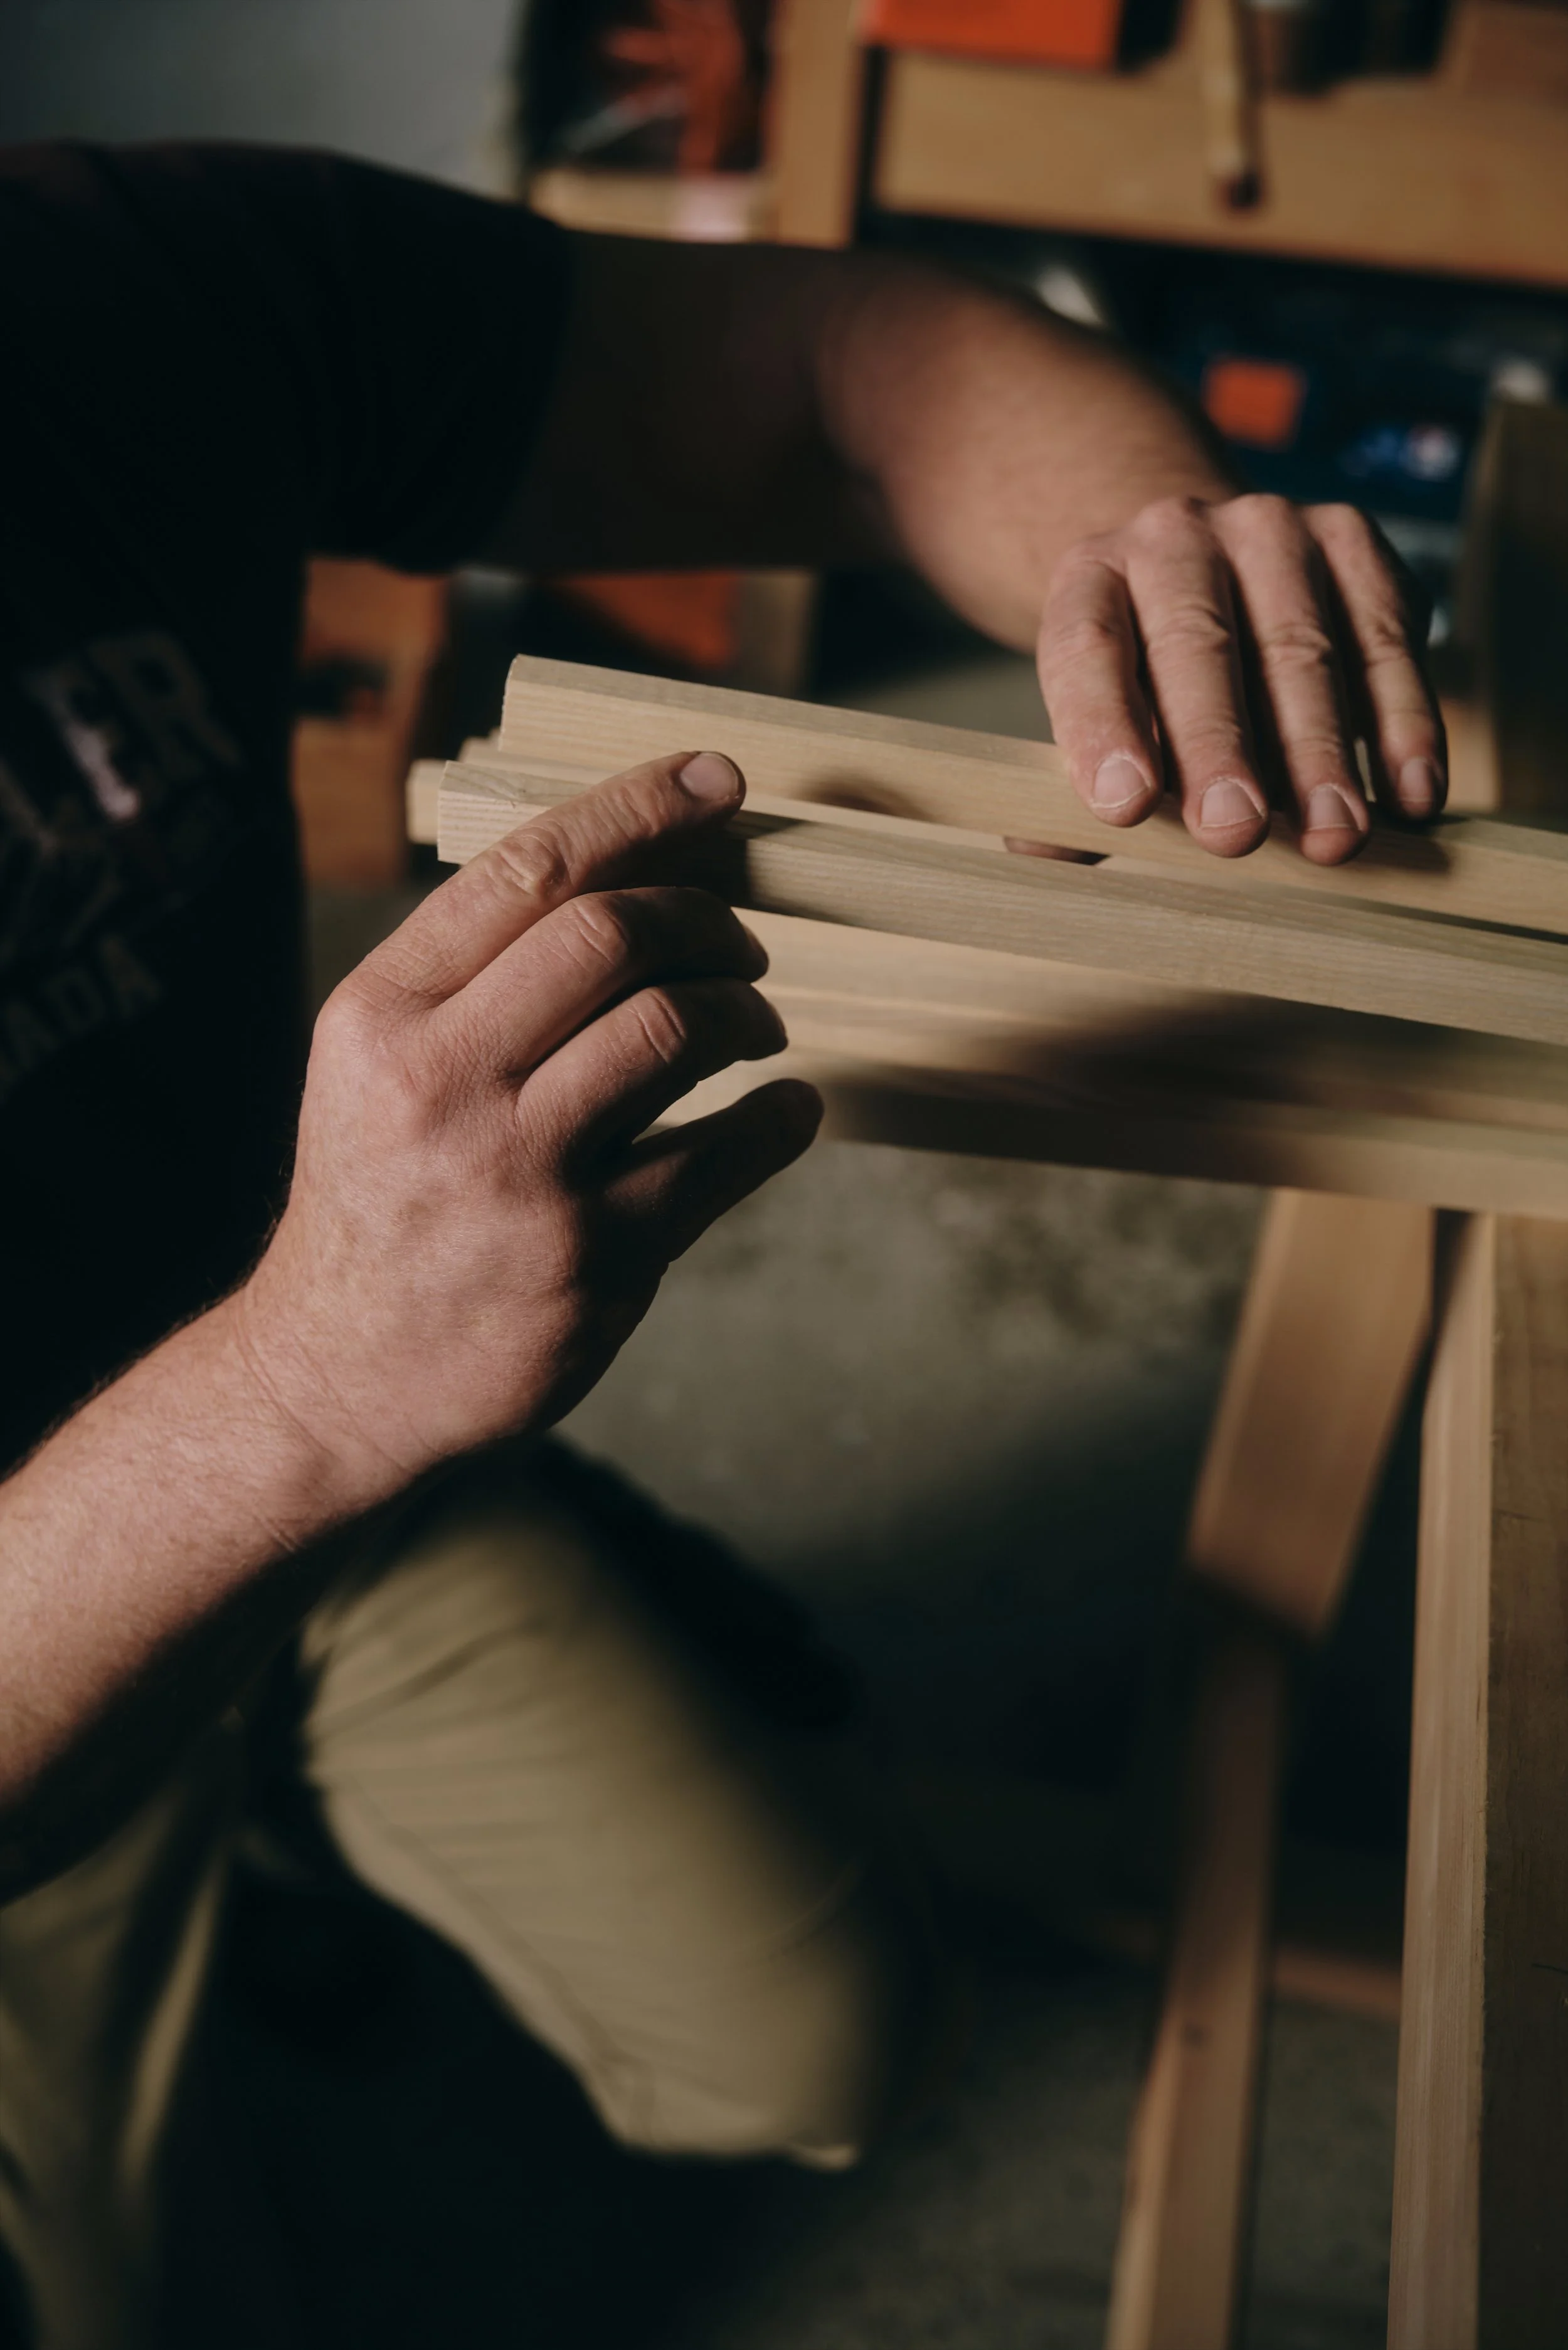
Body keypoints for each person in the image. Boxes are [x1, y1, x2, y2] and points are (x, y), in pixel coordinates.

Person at [0, 143, 1443, 2349]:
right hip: (126, 1566)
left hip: (305, 1422)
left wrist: (1150, 567)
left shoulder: (101, 278)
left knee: (817, 2038)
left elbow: (855, 367)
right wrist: (307, 1385)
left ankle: (317, 1757)